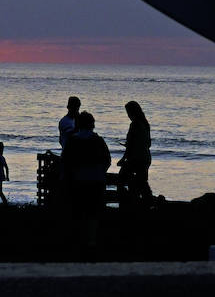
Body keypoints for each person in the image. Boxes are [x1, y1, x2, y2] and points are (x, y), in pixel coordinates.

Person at [61, 111, 111, 245]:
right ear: (92, 124)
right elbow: (107, 160)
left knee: (77, 210)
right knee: (93, 212)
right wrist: (100, 172)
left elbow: (65, 161)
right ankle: (91, 240)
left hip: (77, 180)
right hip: (96, 180)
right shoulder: (98, 140)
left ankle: (77, 239)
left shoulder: (72, 140)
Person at [116, 100, 153, 206]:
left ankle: (126, 203)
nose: (128, 115)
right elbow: (148, 143)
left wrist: (123, 159)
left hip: (136, 159)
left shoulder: (135, 124)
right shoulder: (146, 124)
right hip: (146, 157)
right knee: (141, 182)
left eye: (128, 112)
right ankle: (147, 203)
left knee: (121, 180)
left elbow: (131, 146)